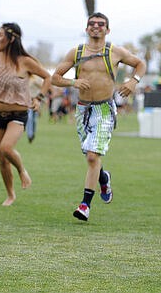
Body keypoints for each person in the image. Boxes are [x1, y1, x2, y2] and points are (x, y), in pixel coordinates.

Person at [51, 12, 146, 221]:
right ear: (86, 29)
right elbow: (55, 78)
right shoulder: (76, 52)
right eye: (91, 24)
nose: (96, 27)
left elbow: (140, 64)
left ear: (107, 29)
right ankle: (104, 178)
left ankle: (85, 205)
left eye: (100, 24)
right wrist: (73, 82)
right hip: (83, 109)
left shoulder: (115, 51)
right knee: (91, 157)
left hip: (104, 109)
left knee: (93, 156)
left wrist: (133, 81)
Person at [0, 23, 51, 206]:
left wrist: (39, 98)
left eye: (1, 35)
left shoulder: (24, 61)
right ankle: (10, 194)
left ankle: (21, 170)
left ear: (11, 38)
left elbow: (47, 77)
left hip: (18, 115)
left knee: (6, 148)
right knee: (2, 159)